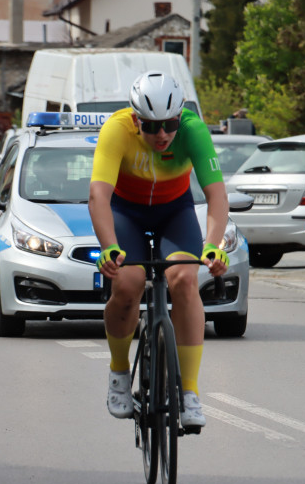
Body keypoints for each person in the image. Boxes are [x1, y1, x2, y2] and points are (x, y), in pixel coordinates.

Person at [89, 71, 229, 426]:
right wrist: (109, 249)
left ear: (180, 116)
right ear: (136, 120)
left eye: (169, 124)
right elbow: (98, 196)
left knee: (184, 280)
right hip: (127, 213)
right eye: (151, 127)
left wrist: (213, 244)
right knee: (128, 284)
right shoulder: (116, 130)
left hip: (174, 211)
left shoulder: (193, 130)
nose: (162, 134)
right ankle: (119, 373)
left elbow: (216, 195)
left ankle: (190, 392)